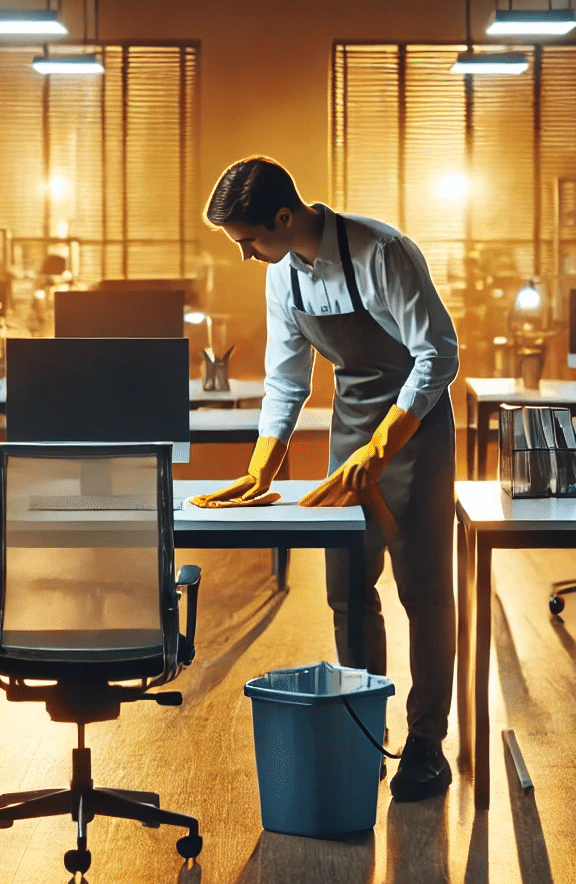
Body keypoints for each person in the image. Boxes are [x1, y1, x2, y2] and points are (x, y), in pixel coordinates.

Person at [190, 156, 459, 802]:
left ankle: (425, 742)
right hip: (349, 430)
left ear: (284, 217)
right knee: (347, 590)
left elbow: (438, 353)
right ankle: (362, 729)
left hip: (414, 431)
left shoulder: (383, 252)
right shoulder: (284, 273)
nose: (249, 256)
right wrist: (262, 467)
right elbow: (287, 378)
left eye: (251, 240)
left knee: (422, 592)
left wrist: (387, 442)